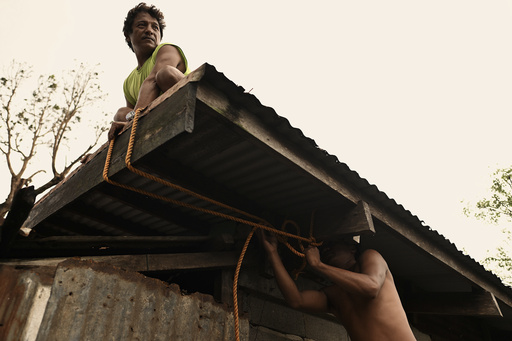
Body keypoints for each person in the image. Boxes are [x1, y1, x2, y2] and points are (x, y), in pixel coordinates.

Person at [259, 230, 416, 341]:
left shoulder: (370, 256)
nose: (326, 249)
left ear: (352, 248)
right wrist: (272, 253)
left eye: (332, 244)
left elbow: (371, 287)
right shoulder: (334, 295)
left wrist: (319, 265)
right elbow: (296, 299)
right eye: (322, 248)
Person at [108, 3, 190, 141]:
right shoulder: (129, 82)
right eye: (142, 25)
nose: (149, 30)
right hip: (156, 120)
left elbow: (152, 81)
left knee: (165, 74)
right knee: (121, 114)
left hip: (188, 106)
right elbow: (128, 116)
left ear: (159, 36)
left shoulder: (167, 50)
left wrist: (133, 121)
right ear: (128, 35)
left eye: (155, 27)